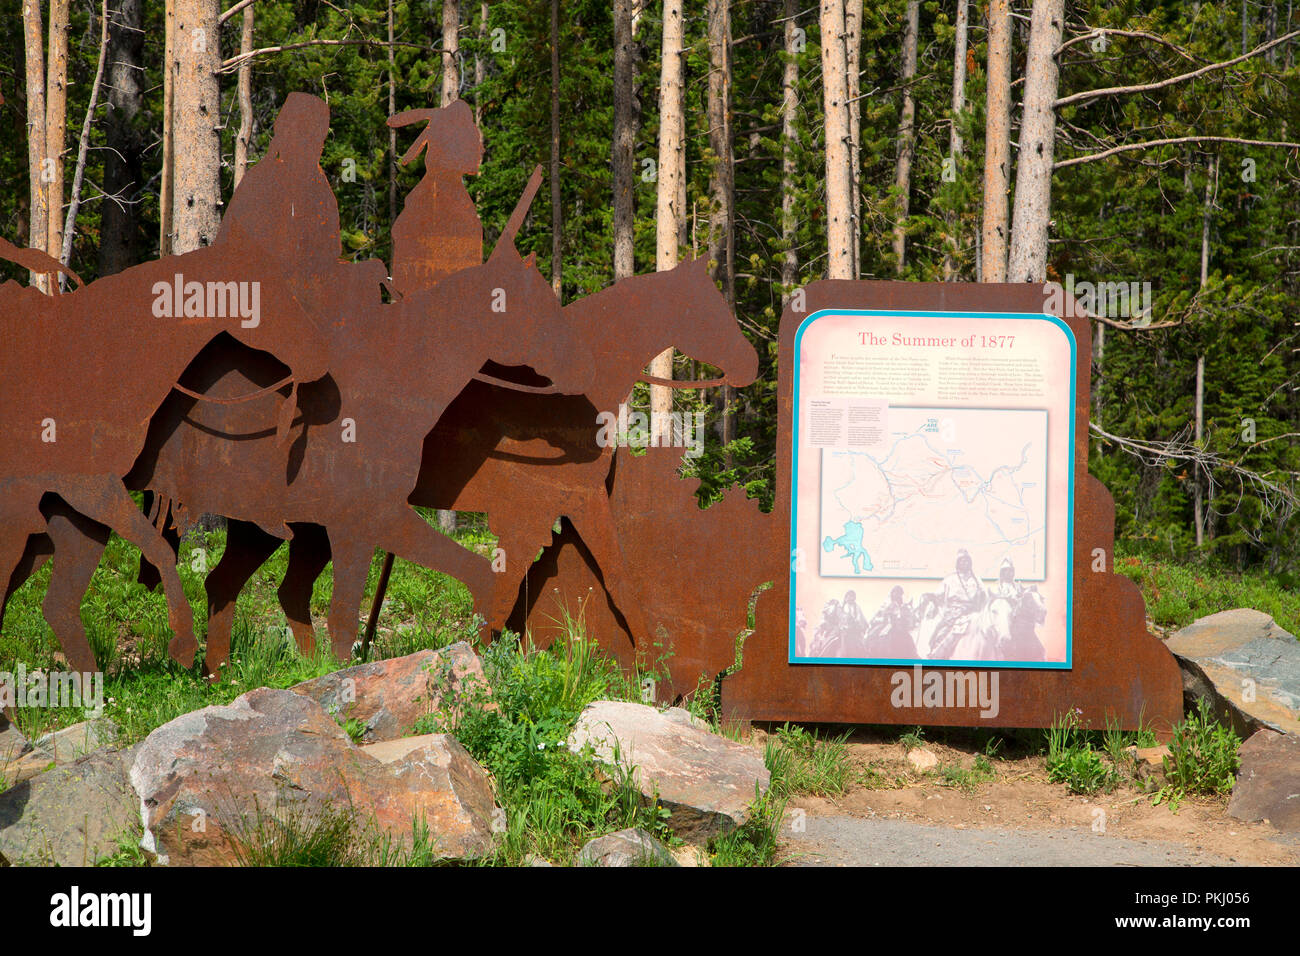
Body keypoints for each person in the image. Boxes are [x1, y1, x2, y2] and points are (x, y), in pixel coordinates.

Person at [388, 99, 484, 296]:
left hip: (442, 186)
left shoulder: (447, 125)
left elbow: (397, 125)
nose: (480, 150)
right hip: (439, 186)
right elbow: (394, 122)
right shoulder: (452, 127)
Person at [929, 549, 985, 658]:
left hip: (974, 613)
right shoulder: (950, 579)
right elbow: (937, 596)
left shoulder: (977, 580)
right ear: (957, 563)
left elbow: (985, 597)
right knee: (942, 634)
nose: (965, 563)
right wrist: (930, 597)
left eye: (967, 561)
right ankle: (936, 656)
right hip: (954, 614)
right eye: (962, 561)